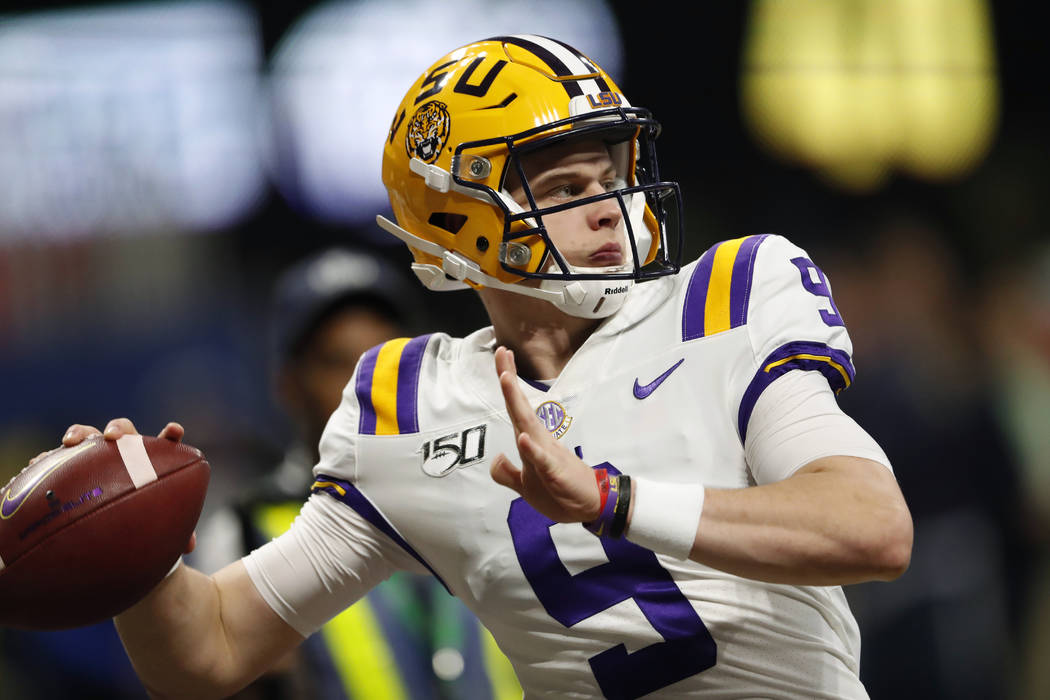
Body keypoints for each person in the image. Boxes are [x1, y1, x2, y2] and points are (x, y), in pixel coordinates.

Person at [58, 34, 912, 698]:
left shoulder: (727, 296)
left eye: (611, 176)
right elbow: (209, 651)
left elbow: (870, 527)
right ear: (459, 219)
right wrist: (133, 554)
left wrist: (616, 501)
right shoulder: (406, 404)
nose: (612, 211)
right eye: (568, 190)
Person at [190, 246, 521, 699]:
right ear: (289, 385)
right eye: (337, 362)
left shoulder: (491, 488)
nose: (366, 385)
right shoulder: (243, 531)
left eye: (384, 359)